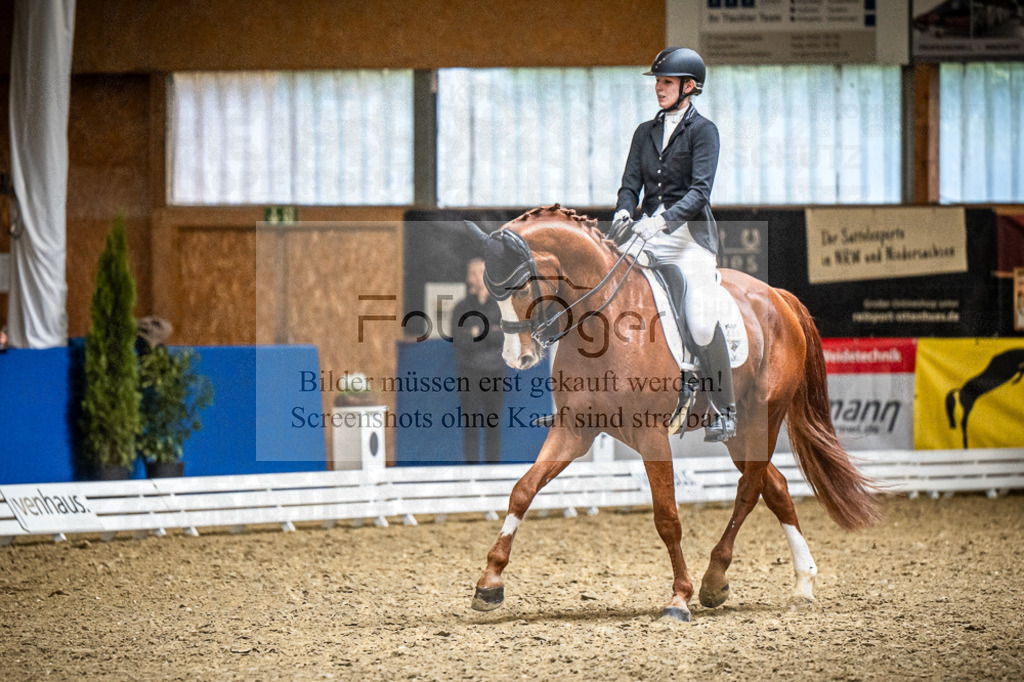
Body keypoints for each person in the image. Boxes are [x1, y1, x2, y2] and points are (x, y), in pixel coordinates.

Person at [612, 46, 736, 442]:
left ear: (689, 86)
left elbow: (700, 192)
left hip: (688, 239)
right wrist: (623, 211)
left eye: (666, 82)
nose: (659, 89)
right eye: (658, 83)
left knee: (700, 320)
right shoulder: (644, 132)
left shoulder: (704, 131)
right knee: (608, 294)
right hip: (645, 232)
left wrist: (662, 222)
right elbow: (631, 184)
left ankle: (725, 408)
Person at [451, 258, 506, 463]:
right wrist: (489, 331)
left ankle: (493, 472)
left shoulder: (501, 308)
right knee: (471, 425)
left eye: (482, 272)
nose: (478, 277)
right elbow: (461, 340)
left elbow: (503, 338)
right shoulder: (461, 308)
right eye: (473, 273)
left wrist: (477, 331)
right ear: (468, 278)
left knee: (494, 424)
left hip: (495, 373)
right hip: (469, 374)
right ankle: (471, 475)